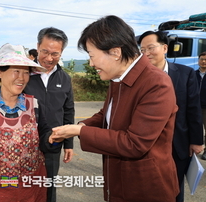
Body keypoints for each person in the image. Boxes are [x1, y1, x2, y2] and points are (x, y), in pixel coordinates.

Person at [49, 15, 179, 202]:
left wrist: (80, 131)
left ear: (115, 52)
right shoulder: (117, 78)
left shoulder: (156, 83)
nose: (91, 63)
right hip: (118, 178)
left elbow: (135, 144)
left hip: (146, 187)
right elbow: (107, 115)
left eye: (92, 56)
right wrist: (80, 126)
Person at [0, 44, 63, 202]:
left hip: (31, 191)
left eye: (25, 72)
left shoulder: (34, 105)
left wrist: (54, 140)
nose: (22, 78)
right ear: (0, 72)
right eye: (16, 71)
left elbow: (44, 143)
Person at [138, 30, 204, 202]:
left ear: (165, 48)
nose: (146, 53)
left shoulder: (185, 73)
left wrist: (196, 141)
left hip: (177, 143)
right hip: (146, 144)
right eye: (142, 50)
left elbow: (193, 109)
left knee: (174, 188)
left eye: (151, 48)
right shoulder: (138, 77)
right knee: (147, 187)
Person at [24, 27, 74, 202]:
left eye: (55, 54)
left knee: (49, 185)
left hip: (54, 141)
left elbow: (68, 111)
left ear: (61, 53)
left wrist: (69, 143)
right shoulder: (24, 74)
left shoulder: (64, 79)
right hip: (23, 143)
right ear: (37, 46)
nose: (49, 58)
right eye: (45, 51)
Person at [196, 51, 206, 160]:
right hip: (194, 106)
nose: (203, 61)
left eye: (205, 59)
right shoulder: (193, 74)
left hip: (205, 107)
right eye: (201, 59)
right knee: (195, 128)